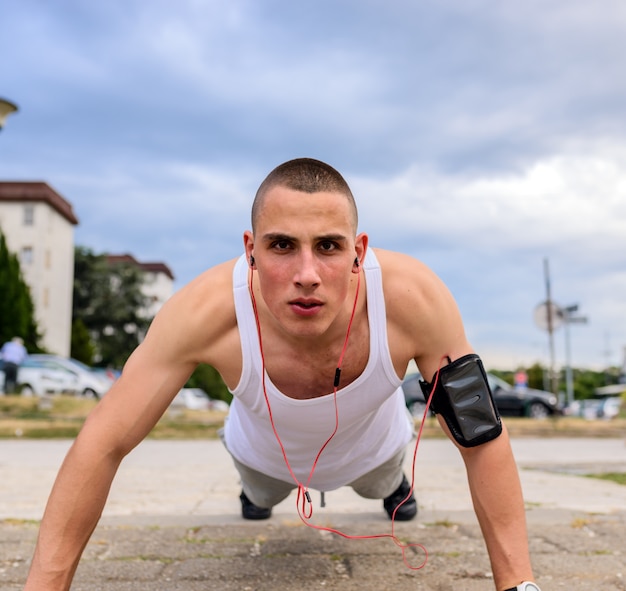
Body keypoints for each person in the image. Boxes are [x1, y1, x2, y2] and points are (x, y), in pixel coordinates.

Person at [22, 158, 541, 591]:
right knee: (261, 494)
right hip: (262, 457)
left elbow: (483, 439)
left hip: (373, 451)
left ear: (359, 252)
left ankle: (394, 487)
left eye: (329, 247)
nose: (307, 274)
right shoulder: (203, 314)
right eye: (282, 245)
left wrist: (520, 586)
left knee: (381, 482)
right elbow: (101, 442)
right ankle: (255, 495)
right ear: (251, 249)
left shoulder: (416, 300)